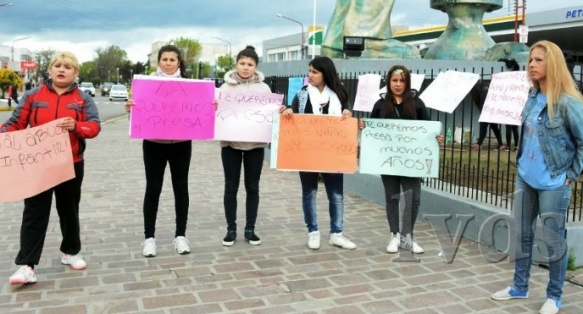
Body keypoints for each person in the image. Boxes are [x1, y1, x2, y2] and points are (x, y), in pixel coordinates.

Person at [490, 40, 583, 314]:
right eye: (530, 60)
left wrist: (571, 174)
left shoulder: (567, 102)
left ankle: (554, 296)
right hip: (525, 178)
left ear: (552, 64)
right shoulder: (532, 96)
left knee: (553, 240)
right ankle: (519, 287)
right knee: (521, 235)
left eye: (539, 60)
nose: (531, 65)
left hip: (553, 183)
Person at [1, 51, 101, 284]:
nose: (61, 69)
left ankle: (71, 251)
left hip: (71, 164)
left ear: (75, 72)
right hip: (38, 166)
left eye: (67, 66)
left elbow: (94, 127)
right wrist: (3, 137)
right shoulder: (33, 95)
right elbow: (16, 122)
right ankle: (26, 265)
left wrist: (76, 125)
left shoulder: (83, 99)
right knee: (34, 213)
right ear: (50, 70)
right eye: (57, 65)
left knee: (69, 211)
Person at [358, 65, 443, 254]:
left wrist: (436, 138)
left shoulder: (417, 103)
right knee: (392, 197)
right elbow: (372, 130)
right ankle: (394, 235)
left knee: (413, 199)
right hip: (388, 160)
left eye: (402, 81)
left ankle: (407, 237)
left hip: (412, 162)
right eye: (394, 80)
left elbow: (428, 129)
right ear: (388, 82)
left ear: (407, 83)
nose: (398, 84)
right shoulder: (380, 105)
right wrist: (364, 125)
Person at [281, 56, 356, 250]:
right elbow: (293, 116)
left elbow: (347, 116)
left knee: (336, 194)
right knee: (309, 192)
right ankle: (313, 231)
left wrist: (347, 113)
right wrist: (288, 112)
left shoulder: (340, 95)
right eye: (309, 71)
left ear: (326, 73)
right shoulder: (302, 94)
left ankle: (336, 233)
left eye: (314, 72)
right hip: (307, 151)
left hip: (333, 152)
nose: (310, 75)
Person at [125, 45, 192, 257]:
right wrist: (131, 109)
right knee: (153, 189)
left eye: (173, 59)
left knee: (181, 188)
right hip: (154, 143)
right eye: (165, 59)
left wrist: (211, 106)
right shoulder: (146, 84)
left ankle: (180, 236)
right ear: (158, 62)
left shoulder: (190, 86)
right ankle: (149, 238)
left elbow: (199, 111)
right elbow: (138, 116)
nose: (169, 63)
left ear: (179, 62)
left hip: (181, 143)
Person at [218, 46, 286, 247]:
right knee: (231, 187)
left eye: (250, 64)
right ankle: (231, 229)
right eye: (242, 63)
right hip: (230, 143)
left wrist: (278, 111)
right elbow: (216, 112)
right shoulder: (225, 88)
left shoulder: (263, 89)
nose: (245, 67)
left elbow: (269, 115)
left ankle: (250, 228)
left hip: (255, 145)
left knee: (253, 187)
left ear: (256, 67)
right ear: (236, 64)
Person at [470, 80, 505, 150]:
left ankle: (480, 144)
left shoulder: (483, 90)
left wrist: (483, 111)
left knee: (485, 126)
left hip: (488, 111)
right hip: (489, 111)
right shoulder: (483, 88)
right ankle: (500, 144)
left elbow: (483, 101)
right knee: (493, 127)